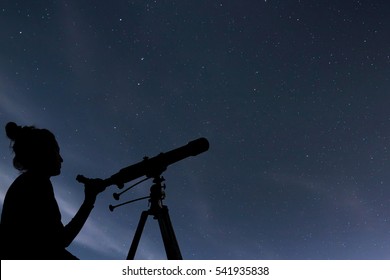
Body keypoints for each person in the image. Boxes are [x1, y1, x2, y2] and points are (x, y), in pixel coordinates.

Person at [0, 122, 106, 259]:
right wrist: (89, 200)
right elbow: (61, 240)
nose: (61, 159)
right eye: (57, 152)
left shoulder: (29, 182)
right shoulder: (36, 184)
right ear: (44, 153)